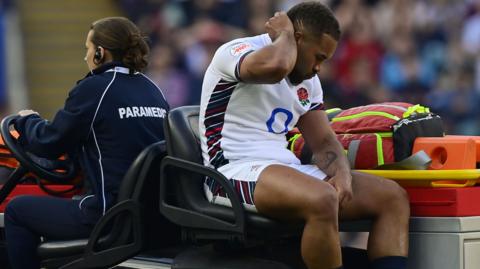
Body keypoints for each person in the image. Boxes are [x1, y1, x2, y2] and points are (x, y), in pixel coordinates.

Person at [199, 2, 409, 269]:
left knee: (392, 197)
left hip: (283, 169)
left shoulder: (308, 80)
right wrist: (285, 34)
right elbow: (276, 67)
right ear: (297, 38)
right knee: (322, 199)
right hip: (230, 171)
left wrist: (342, 173)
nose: (319, 68)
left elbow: (323, 142)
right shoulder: (237, 51)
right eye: (318, 57)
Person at [4, 17, 169, 269]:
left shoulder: (95, 88)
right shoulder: (153, 90)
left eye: (88, 49)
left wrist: (27, 121)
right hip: (149, 217)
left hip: (105, 216)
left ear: (100, 53)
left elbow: (47, 141)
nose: (86, 57)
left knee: (16, 210)